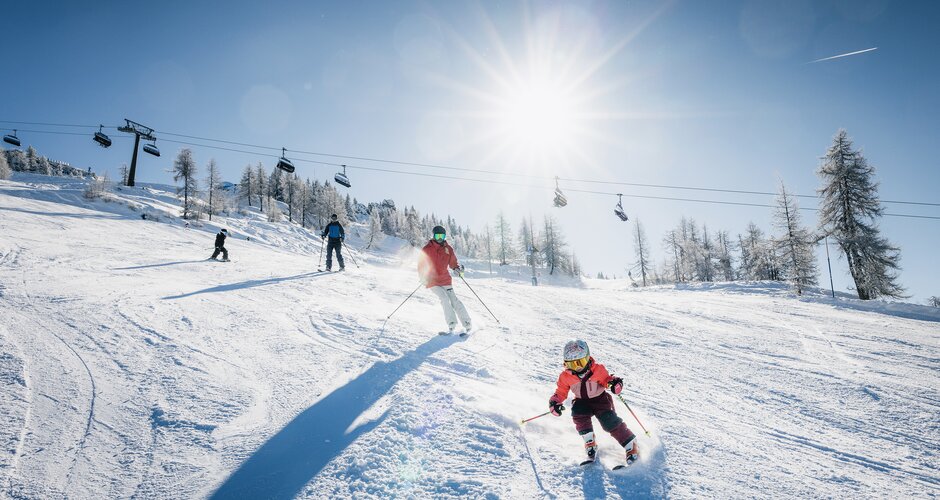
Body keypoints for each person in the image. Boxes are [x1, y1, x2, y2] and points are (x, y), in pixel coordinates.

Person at [548, 339, 638, 466]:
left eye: (581, 362)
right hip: (581, 401)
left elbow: (607, 380)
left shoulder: (597, 369)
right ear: (566, 364)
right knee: (578, 413)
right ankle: (589, 441)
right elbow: (561, 392)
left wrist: (614, 384)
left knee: (609, 422)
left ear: (588, 357)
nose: (578, 367)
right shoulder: (565, 376)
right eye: (573, 364)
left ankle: (630, 444)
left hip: (600, 399)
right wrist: (555, 402)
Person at [418, 225, 471, 334]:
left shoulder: (448, 249)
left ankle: (467, 323)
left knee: (454, 300)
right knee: (444, 298)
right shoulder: (427, 249)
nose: (440, 238)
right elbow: (421, 265)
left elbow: (453, 263)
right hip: (432, 281)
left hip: (445, 280)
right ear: (433, 236)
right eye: (437, 236)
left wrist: (457, 269)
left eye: (442, 236)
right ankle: (452, 325)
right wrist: (422, 277)